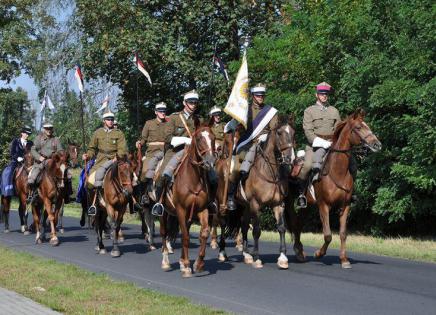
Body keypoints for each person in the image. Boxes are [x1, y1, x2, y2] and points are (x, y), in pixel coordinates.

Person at [226, 83, 279, 210]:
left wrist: (265, 137)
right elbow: (234, 125)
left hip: (265, 145)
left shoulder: (270, 112)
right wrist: (233, 122)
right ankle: (231, 196)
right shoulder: (245, 110)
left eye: (262, 95)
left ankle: (282, 195)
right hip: (247, 144)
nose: (261, 97)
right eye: (258, 95)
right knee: (236, 168)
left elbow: (274, 130)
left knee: (283, 166)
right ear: (253, 96)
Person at [151, 90, 200, 216]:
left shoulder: (197, 119)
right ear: (184, 103)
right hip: (175, 151)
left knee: (211, 173)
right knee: (163, 175)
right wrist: (185, 140)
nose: (193, 105)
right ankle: (159, 202)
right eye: (190, 102)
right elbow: (167, 137)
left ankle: (209, 202)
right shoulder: (174, 118)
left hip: (193, 152)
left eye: (195, 102)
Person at [295, 82, 342, 208]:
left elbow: (338, 130)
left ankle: (349, 194)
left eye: (326, 94)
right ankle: (301, 195)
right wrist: (322, 143)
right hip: (314, 145)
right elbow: (308, 132)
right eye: (322, 94)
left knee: (349, 163)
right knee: (307, 166)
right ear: (317, 95)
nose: (324, 96)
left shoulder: (334, 111)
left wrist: (335, 142)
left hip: (333, 144)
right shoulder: (309, 111)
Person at [82, 110, 128, 215]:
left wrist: (118, 157)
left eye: (112, 119)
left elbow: (122, 148)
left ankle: (133, 202)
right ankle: (94, 203)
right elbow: (92, 149)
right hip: (100, 160)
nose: (110, 121)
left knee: (131, 180)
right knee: (88, 182)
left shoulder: (119, 133)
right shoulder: (98, 133)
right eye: (108, 119)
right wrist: (87, 155)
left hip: (116, 160)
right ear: (104, 121)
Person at [135, 102, 170, 205]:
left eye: (164, 111)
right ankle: (144, 195)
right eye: (160, 111)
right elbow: (143, 138)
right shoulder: (149, 123)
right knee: (145, 172)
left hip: (166, 152)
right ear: (156, 112)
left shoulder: (169, 123)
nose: (162, 113)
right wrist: (139, 143)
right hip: (152, 153)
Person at [27, 121, 63, 204]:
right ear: (44, 129)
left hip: (53, 162)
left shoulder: (56, 139)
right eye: (47, 128)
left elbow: (61, 151)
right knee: (32, 178)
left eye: (50, 128)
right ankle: (32, 194)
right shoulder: (38, 138)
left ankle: (66, 196)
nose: (49, 130)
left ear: (52, 129)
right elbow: (33, 149)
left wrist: (56, 154)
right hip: (40, 162)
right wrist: (39, 157)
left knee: (67, 175)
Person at [0, 126, 33, 197]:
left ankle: (33, 192)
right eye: (26, 133)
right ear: (22, 133)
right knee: (9, 171)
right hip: (16, 161)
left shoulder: (30, 143)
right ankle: (8, 189)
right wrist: (17, 158)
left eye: (28, 134)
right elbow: (12, 152)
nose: (27, 135)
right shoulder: (15, 141)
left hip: (27, 162)